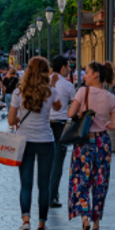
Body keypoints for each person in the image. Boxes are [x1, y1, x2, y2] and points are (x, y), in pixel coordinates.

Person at [9, 57, 61, 230]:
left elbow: (10, 120)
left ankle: (25, 221)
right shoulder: (51, 92)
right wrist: (52, 85)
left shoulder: (18, 92)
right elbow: (58, 106)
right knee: (44, 185)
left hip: (25, 142)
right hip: (46, 141)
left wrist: (20, 120)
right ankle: (42, 225)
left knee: (26, 184)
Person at [67, 61, 115, 230]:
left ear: (96, 74)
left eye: (87, 72)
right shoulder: (110, 97)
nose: (84, 76)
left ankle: (84, 218)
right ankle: (96, 225)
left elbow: (70, 113)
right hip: (102, 142)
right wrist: (103, 124)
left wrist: (79, 113)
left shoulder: (83, 92)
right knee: (100, 182)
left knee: (81, 179)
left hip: (84, 141)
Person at [49, 56, 76, 209]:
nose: (70, 69)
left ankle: (45, 193)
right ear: (63, 68)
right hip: (61, 125)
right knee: (58, 162)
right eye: (68, 66)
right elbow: (75, 105)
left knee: (46, 161)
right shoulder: (67, 85)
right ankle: (52, 195)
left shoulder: (44, 83)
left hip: (44, 126)